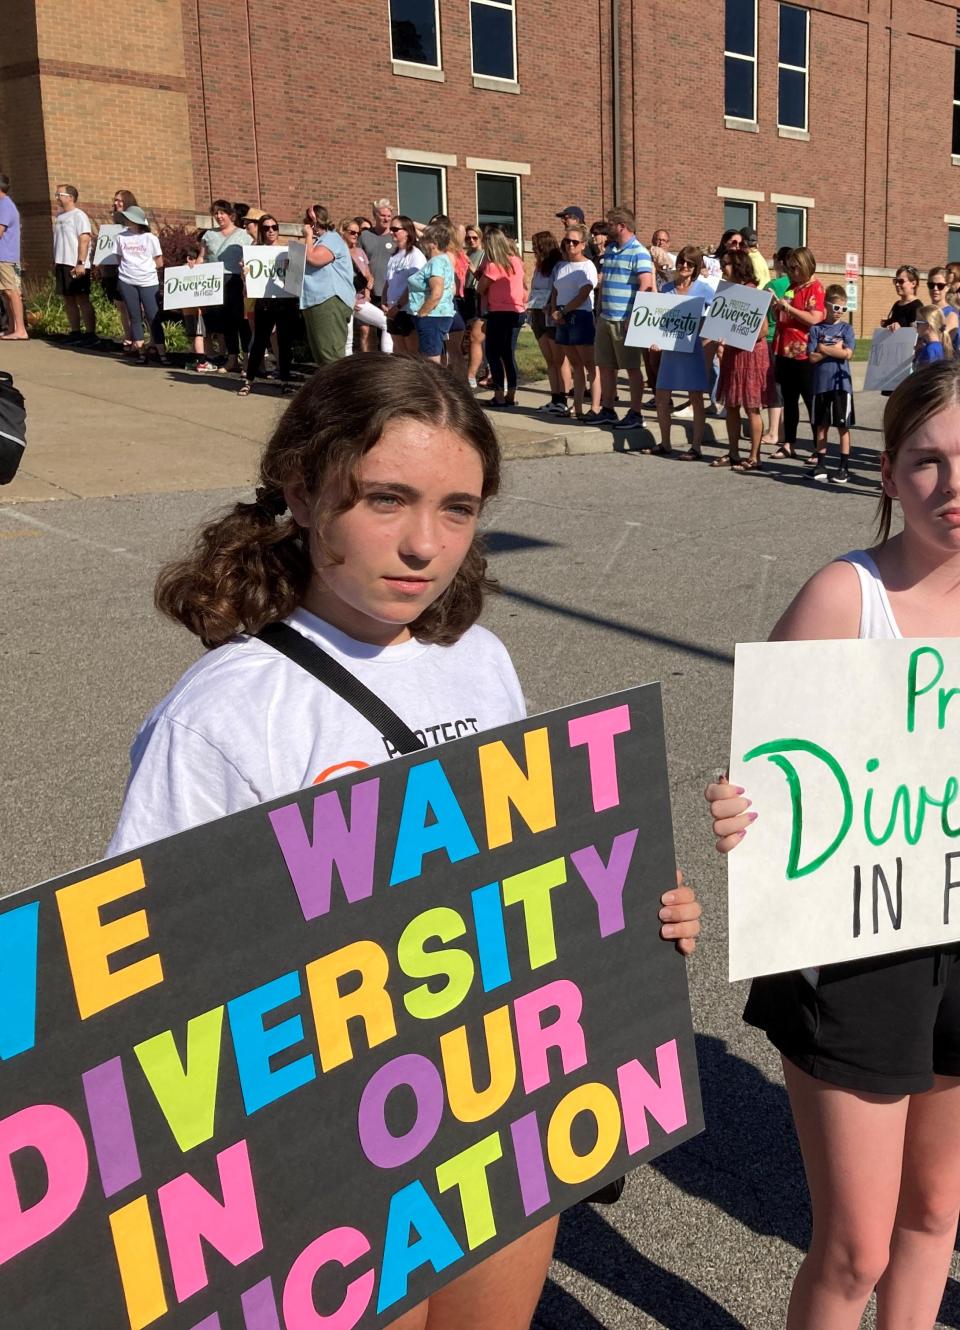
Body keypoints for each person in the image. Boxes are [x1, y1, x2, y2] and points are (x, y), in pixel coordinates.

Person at [106, 352, 702, 1330]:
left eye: (458, 509)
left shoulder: (476, 658)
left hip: (493, 1105)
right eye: (387, 499)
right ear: (301, 490)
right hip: (327, 1140)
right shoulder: (224, 717)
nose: (426, 545)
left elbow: (531, 862)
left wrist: (629, 901)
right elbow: (139, 986)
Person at [707, 361, 960, 1330]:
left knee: (935, 1210)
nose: (951, 485)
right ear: (888, 475)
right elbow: (763, 779)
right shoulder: (845, 598)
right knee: (855, 1244)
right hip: (855, 950)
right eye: (926, 462)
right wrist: (741, 814)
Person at [647, 246, 714, 460]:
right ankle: (665, 443)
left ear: (696, 267)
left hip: (693, 350)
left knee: (695, 398)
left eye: (690, 263)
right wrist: (654, 340)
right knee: (661, 397)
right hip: (669, 351)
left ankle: (696, 447)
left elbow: (720, 314)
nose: (684, 266)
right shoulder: (667, 289)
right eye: (682, 262)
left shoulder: (703, 289)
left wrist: (711, 339)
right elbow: (657, 321)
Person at [712, 249, 775, 471]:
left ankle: (755, 456)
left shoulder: (753, 293)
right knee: (731, 405)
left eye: (726, 264)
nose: (723, 269)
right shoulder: (726, 292)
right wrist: (722, 340)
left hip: (751, 355)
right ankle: (733, 453)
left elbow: (763, 330)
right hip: (731, 355)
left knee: (751, 407)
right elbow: (721, 325)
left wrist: (736, 336)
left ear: (738, 266)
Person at [593, 206, 655, 428]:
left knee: (631, 368)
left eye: (610, 224)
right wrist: (599, 312)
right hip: (606, 317)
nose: (607, 228)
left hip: (625, 320)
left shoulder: (639, 252)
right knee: (605, 366)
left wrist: (634, 317)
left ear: (622, 226)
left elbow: (645, 285)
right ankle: (608, 408)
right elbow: (605, 284)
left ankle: (636, 413)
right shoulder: (610, 250)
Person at [770, 246, 825, 459]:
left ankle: (817, 446)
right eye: (789, 267)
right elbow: (787, 313)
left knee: (811, 400)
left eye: (795, 268)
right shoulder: (792, 287)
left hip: (804, 352)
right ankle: (788, 443)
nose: (791, 272)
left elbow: (815, 318)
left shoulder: (815, 288)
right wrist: (778, 307)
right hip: (785, 350)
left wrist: (789, 309)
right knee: (789, 401)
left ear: (806, 266)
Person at [238, 215, 299, 396]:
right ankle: (249, 380)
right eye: (266, 228)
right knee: (259, 341)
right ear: (261, 231)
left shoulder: (287, 249)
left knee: (284, 342)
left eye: (274, 227)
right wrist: (245, 274)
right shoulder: (254, 252)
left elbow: (297, 275)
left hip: (285, 300)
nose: (271, 231)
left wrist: (292, 266)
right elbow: (248, 283)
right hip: (264, 301)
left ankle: (285, 380)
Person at [549, 225, 600, 420]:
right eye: (567, 241)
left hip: (580, 317)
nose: (570, 244)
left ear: (583, 245)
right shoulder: (562, 266)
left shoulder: (587, 266)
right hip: (562, 317)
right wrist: (555, 309)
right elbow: (555, 290)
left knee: (590, 365)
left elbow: (584, 293)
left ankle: (595, 406)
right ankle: (577, 407)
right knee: (575, 365)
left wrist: (563, 311)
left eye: (574, 242)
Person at [807, 285, 856, 485]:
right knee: (821, 426)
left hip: (841, 385)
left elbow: (847, 354)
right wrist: (833, 349)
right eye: (836, 308)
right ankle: (821, 464)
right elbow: (811, 357)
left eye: (843, 309)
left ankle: (843, 467)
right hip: (820, 385)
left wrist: (823, 349)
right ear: (826, 305)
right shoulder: (816, 329)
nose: (839, 313)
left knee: (842, 426)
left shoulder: (847, 329)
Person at [476, 224, 526, 409]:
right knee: (508, 353)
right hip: (517, 311)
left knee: (493, 353)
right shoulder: (516, 261)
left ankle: (498, 394)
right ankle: (511, 393)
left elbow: (480, 287)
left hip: (499, 312)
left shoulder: (493, 265)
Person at [300, 203, 354, 367]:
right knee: (321, 355)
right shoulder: (319, 242)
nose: (305, 224)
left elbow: (314, 259)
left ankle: (340, 391)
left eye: (308, 220)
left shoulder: (332, 238)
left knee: (331, 355)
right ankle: (328, 390)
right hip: (315, 301)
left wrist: (308, 236)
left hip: (329, 300)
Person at [201, 200, 252, 372]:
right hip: (216, 281)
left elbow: (252, 258)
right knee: (227, 321)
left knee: (242, 321)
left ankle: (247, 359)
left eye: (222, 212)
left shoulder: (244, 235)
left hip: (237, 280)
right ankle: (232, 359)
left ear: (231, 215)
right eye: (215, 213)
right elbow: (203, 258)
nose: (219, 216)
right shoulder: (208, 235)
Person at [114, 204, 167, 365]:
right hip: (127, 280)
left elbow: (159, 261)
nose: (126, 220)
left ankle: (161, 353)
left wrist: (145, 269)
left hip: (148, 281)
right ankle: (141, 352)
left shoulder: (150, 238)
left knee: (153, 316)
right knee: (135, 316)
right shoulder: (120, 237)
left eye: (129, 218)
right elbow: (119, 257)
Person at [527, 231, 571, 415]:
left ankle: (564, 397)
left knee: (560, 359)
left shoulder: (558, 266)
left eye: (536, 246)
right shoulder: (539, 267)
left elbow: (557, 289)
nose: (534, 250)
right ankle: (555, 397)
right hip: (537, 312)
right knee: (550, 360)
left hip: (551, 313)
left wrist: (551, 307)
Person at [406, 221, 456, 363]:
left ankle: (434, 385)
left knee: (430, 360)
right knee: (431, 355)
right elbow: (451, 289)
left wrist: (422, 314)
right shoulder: (444, 259)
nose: (422, 242)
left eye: (425, 240)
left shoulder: (436, 263)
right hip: (437, 315)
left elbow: (437, 292)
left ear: (433, 243)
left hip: (432, 316)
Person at [340, 217, 392, 355]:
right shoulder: (338, 252)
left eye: (358, 233)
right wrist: (350, 299)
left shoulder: (360, 251)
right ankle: (346, 371)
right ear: (343, 232)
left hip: (361, 300)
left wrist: (368, 287)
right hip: (345, 301)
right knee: (348, 338)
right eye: (352, 232)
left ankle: (388, 360)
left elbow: (368, 273)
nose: (356, 235)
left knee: (386, 322)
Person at [95, 189, 139, 350]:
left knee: (132, 305)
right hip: (112, 269)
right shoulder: (114, 222)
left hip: (129, 270)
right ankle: (128, 336)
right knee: (120, 305)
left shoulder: (138, 222)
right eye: (115, 200)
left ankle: (137, 338)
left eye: (119, 200)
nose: (116, 203)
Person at [52, 184, 96, 345]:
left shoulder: (79, 216)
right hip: (62, 263)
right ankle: (75, 332)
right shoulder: (60, 216)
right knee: (68, 299)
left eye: (59, 194)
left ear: (70, 197)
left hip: (75, 263)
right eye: (56, 194)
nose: (57, 197)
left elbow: (84, 239)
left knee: (82, 298)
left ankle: (90, 334)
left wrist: (80, 263)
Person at [760, 247, 792, 447]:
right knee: (787, 387)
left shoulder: (772, 285)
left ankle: (774, 432)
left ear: (780, 262)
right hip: (791, 340)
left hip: (772, 337)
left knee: (774, 385)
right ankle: (782, 430)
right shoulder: (797, 285)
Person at [383, 215, 426, 357]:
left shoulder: (415, 255)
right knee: (399, 353)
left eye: (395, 229)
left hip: (407, 310)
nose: (391, 232)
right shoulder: (394, 256)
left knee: (413, 354)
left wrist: (398, 307)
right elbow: (388, 282)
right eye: (391, 229)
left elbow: (415, 284)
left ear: (407, 231)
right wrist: (385, 302)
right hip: (393, 310)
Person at [0, 173, 27, 341]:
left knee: (12, 291)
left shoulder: (5, 206)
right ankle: (12, 328)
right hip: (2, 256)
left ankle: (21, 329)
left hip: (5, 256)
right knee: (5, 293)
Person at [359, 198, 397, 308]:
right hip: (369, 291)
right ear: (375, 215)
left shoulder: (395, 237)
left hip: (390, 292)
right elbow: (358, 262)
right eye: (383, 216)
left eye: (389, 216)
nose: (386, 219)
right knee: (365, 325)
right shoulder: (364, 236)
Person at [462, 224, 486, 387]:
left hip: (478, 294)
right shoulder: (467, 253)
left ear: (480, 238)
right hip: (466, 293)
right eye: (468, 238)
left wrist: (469, 264)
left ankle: (476, 373)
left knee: (477, 336)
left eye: (474, 237)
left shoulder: (484, 254)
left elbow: (481, 275)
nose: (471, 240)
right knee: (467, 335)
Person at [881, 265, 924, 330]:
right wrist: (887, 323)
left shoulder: (917, 306)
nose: (897, 284)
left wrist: (900, 328)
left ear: (913, 283)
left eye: (901, 281)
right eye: (896, 281)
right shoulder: (897, 304)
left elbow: (915, 334)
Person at [924, 267, 958, 341]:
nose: (935, 288)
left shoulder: (951, 315)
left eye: (940, 286)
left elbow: (942, 344)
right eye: (931, 285)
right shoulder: (924, 312)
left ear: (947, 287)